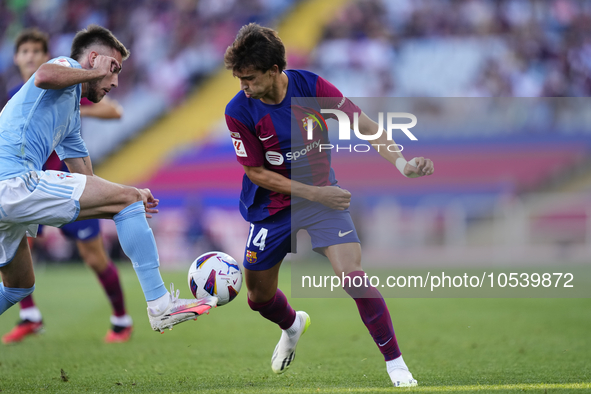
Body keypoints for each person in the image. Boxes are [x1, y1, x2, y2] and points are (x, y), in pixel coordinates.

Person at [224, 23, 434, 387]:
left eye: (250, 78)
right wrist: (315, 193)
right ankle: (292, 326)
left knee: (353, 277)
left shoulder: (311, 88)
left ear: (274, 71)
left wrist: (403, 164)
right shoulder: (239, 110)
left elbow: (363, 124)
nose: (244, 86)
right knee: (257, 297)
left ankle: (396, 363)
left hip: (323, 199)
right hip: (273, 205)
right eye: (239, 79)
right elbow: (256, 172)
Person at [0, 24, 217, 334]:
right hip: (13, 180)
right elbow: (44, 76)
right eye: (112, 68)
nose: (115, 81)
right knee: (125, 200)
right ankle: (160, 306)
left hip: (8, 193)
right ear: (92, 59)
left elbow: (88, 181)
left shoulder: (70, 114)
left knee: (18, 286)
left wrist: (131, 196)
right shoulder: (66, 66)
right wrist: (126, 198)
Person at [2, 28, 132, 344]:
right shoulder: (32, 88)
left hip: (55, 182)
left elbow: (113, 111)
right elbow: (46, 77)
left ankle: (120, 319)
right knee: (23, 255)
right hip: (24, 184)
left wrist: (86, 95)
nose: (31, 57)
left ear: (45, 55)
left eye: (36, 51)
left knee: (91, 256)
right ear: (16, 58)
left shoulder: (69, 84)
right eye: (24, 52)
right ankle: (31, 316)